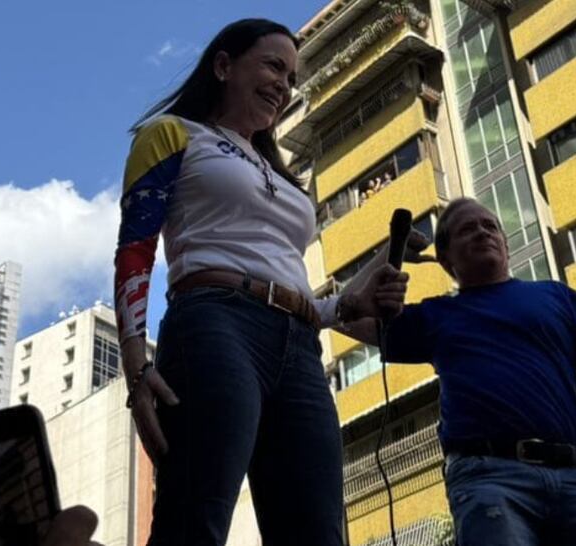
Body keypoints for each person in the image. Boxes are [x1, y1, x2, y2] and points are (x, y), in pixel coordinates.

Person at [113, 18, 421, 546]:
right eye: (274, 66)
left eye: (292, 78)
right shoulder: (172, 134)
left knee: (318, 532)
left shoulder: (281, 175)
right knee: (196, 515)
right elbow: (135, 249)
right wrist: (136, 363)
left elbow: (289, 284)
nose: (284, 85)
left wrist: (347, 304)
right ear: (223, 65)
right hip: (215, 323)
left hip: (301, 347)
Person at [373, 197, 576, 545]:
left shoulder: (557, 297)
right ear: (445, 259)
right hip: (487, 477)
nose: (482, 232)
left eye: (490, 226)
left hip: (574, 475)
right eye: (467, 229)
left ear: (506, 245)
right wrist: (389, 254)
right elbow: (347, 315)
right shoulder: (436, 315)